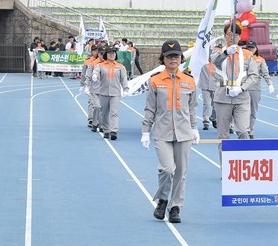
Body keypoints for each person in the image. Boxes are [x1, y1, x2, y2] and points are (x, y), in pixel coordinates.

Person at [141, 40, 199, 224]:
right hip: (162, 132)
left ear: (181, 58)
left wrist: (194, 128)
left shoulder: (189, 81)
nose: (173, 59)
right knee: (167, 169)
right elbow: (150, 108)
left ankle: (175, 207)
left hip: (184, 133)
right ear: (163, 59)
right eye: (169, 56)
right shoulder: (155, 81)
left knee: (181, 172)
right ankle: (163, 199)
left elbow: (193, 107)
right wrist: (145, 130)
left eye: (176, 56)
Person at [210, 22, 259, 161]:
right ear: (225, 36)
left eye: (235, 35)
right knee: (223, 135)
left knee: (244, 131)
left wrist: (241, 88)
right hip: (222, 97)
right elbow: (215, 61)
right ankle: (225, 166)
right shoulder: (218, 52)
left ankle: (243, 163)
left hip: (241, 97)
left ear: (239, 37)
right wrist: (226, 52)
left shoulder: (247, 54)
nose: (232, 37)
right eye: (229, 34)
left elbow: (254, 75)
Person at [92, 47, 128, 140]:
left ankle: (113, 131)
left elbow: (123, 79)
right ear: (106, 55)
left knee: (114, 112)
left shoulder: (120, 66)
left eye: (114, 53)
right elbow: (96, 71)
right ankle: (106, 130)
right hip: (103, 92)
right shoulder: (101, 65)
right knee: (104, 113)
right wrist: (95, 75)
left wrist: (125, 89)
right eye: (110, 53)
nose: (112, 55)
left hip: (115, 93)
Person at [245, 40, 274, 138]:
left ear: (256, 49)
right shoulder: (242, 57)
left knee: (253, 110)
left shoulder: (260, 59)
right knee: (242, 109)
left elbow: (265, 73)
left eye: (252, 48)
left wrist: (270, 83)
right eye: (248, 48)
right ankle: (241, 128)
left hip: (255, 88)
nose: (250, 50)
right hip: (243, 87)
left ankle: (250, 130)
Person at [197, 54, 217, 130]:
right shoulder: (203, 64)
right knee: (206, 104)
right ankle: (206, 121)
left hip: (215, 86)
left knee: (216, 104)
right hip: (204, 85)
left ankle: (213, 117)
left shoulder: (217, 64)